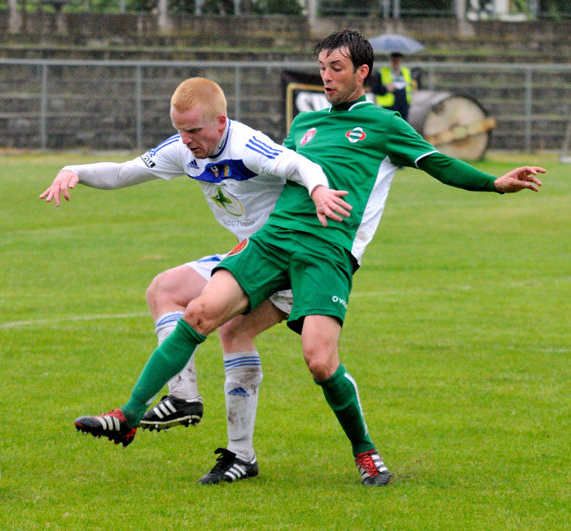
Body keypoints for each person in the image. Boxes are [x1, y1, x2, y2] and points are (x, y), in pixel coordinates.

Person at [73, 29, 545, 487]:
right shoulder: (305, 123)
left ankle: (364, 449)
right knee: (198, 312)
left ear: (363, 72)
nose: (326, 76)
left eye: (336, 68)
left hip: (326, 250)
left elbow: (437, 163)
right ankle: (128, 416)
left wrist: (494, 183)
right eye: (322, 67)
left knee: (320, 361)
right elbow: (283, 172)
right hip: (275, 238)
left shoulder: (385, 125)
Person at [42, 77, 351, 484]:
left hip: (285, 258)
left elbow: (299, 164)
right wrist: (73, 171)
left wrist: (317, 190)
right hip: (246, 254)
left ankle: (236, 452)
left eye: (193, 131)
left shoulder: (246, 144)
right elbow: (121, 173)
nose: (185, 140)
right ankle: (184, 397)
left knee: (231, 331)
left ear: (220, 122)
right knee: (164, 290)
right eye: (179, 130)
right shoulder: (183, 150)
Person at [372, 52, 416, 121]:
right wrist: (386, 89)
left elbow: (410, 88)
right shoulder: (382, 72)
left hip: (403, 107)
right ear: (390, 61)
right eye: (394, 60)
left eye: (398, 60)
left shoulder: (406, 72)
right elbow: (375, 89)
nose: (396, 63)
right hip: (388, 108)